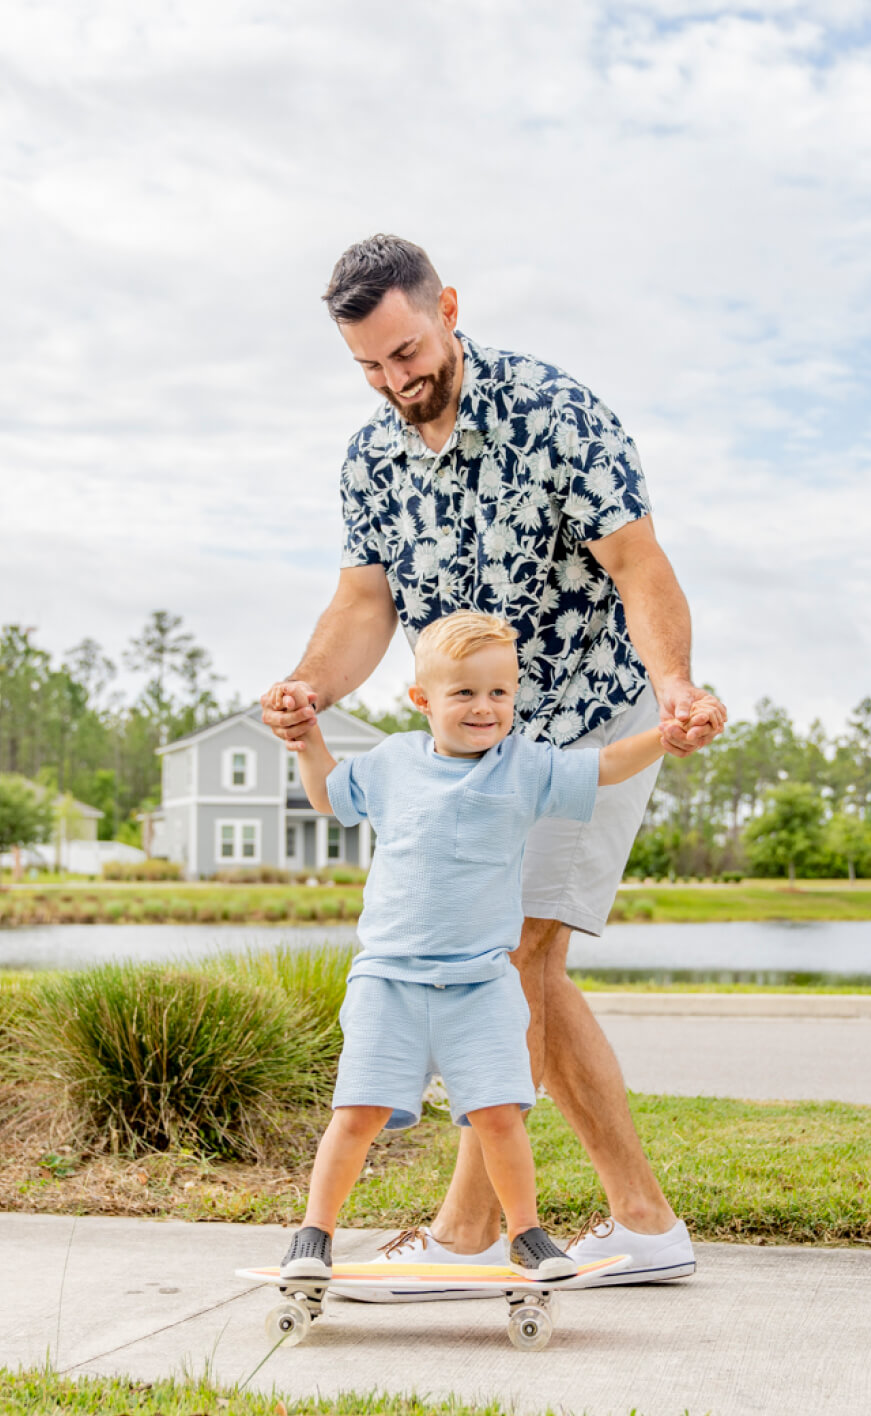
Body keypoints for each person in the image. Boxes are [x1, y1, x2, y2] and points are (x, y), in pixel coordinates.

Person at [261, 233, 726, 1296]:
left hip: (581, 723)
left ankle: (608, 1223)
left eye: (407, 351)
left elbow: (635, 560)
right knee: (506, 960)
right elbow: (363, 602)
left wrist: (674, 686)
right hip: (461, 741)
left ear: (449, 309)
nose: (394, 380)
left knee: (513, 952)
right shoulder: (369, 457)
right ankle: (515, 1230)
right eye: (369, 365)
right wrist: (308, 689)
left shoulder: (556, 414)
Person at [274, 612, 720, 1285]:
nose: (484, 708)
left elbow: (602, 766)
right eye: (463, 694)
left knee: (499, 1115)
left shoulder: (525, 767)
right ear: (421, 700)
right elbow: (328, 797)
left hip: (481, 985)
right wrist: (307, 737)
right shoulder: (392, 762)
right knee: (356, 1112)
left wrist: (664, 737)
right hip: (388, 982)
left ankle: (527, 1235)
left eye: (499, 693)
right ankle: (313, 1236)